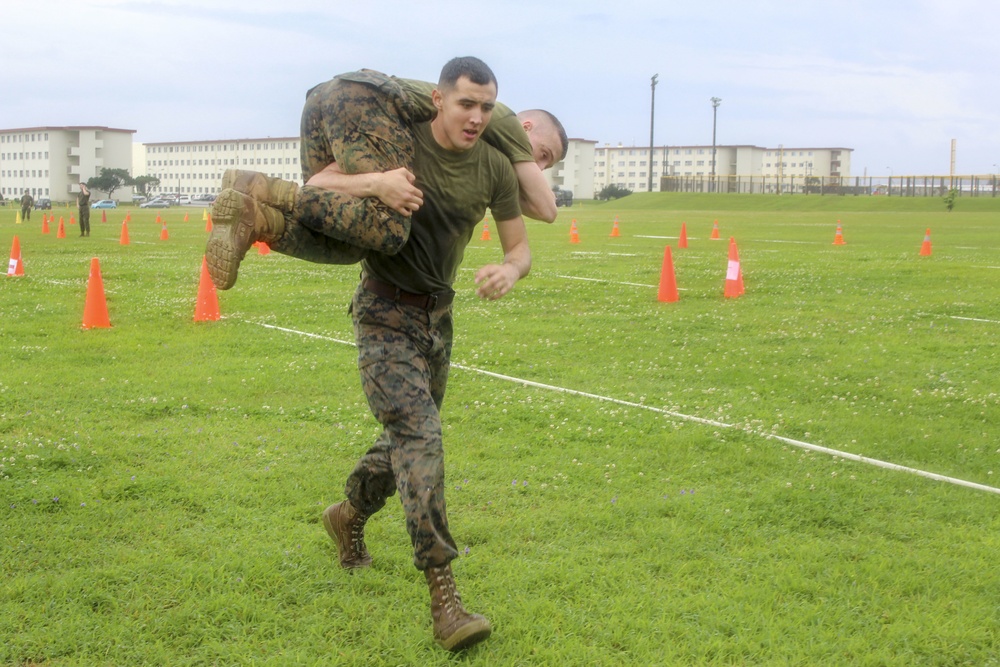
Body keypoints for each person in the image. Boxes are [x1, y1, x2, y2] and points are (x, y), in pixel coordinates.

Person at [216, 57, 532, 652]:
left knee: (403, 443)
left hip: (438, 318)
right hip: (384, 313)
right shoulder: (395, 141)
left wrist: (509, 271)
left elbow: (521, 247)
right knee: (420, 437)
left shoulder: (492, 165)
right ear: (437, 99)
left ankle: (349, 516)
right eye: (466, 103)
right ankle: (445, 597)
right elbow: (320, 185)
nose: (476, 117)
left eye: (487, 108)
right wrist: (378, 183)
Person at [205, 67, 567, 290]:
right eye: (544, 156)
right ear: (527, 128)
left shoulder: (479, 144)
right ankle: (264, 188)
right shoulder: (503, 119)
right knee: (389, 228)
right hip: (363, 98)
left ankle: (258, 217)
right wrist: (379, 183)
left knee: (351, 238)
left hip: (325, 101)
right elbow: (546, 208)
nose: (539, 168)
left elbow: (322, 183)